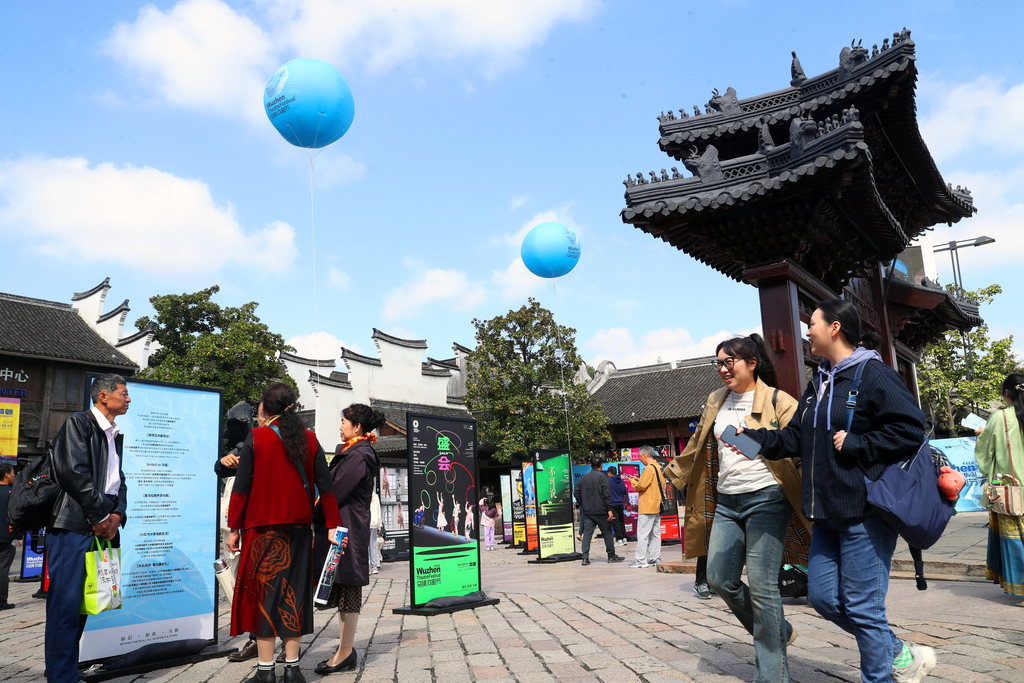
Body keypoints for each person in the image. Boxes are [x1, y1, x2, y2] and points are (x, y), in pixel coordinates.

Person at [739, 301, 935, 683]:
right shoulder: (819, 382)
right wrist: (751, 441)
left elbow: (911, 429)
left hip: (866, 510)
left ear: (835, 328)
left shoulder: (874, 374)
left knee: (863, 607)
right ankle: (900, 652)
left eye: (811, 324)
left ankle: (879, 677)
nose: (806, 331)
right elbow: (797, 436)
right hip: (826, 511)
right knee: (823, 598)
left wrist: (860, 443)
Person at [679, 334, 811, 681]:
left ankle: (772, 676)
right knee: (719, 578)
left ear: (751, 363)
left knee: (763, 587)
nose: (723, 369)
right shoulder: (715, 400)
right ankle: (778, 630)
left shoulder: (779, 401)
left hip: (767, 498)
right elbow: (698, 442)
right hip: (727, 500)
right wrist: (674, 471)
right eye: (718, 363)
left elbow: (802, 442)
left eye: (730, 362)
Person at [227, 383, 341, 683]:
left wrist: (234, 528)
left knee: (264, 597)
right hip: (300, 531)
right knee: (295, 596)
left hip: (262, 530)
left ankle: (265, 672)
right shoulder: (311, 440)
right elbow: (327, 488)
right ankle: (292, 668)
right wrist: (331, 526)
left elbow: (241, 488)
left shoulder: (258, 437)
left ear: (267, 408)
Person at [45, 373, 130, 683]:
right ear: (103, 396)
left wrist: (117, 515)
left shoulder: (114, 434)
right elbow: (74, 473)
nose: (128, 398)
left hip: (101, 523)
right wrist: (100, 517)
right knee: (64, 607)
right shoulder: (79, 424)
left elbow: (119, 482)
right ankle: (60, 677)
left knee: (83, 604)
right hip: (73, 526)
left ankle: (66, 672)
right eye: (123, 392)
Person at [313, 403, 384, 675]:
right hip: (345, 528)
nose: (340, 426)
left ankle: (346, 651)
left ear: (357, 427)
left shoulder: (358, 456)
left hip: (347, 530)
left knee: (349, 589)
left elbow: (335, 491)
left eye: (344, 421)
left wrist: (314, 514)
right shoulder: (355, 452)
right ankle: (344, 649)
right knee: (343, 589)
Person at [221, 402, 265, 664]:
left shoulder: (265, 446)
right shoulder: (240, 450)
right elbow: (221, 470)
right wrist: (224, 461)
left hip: (260, 527)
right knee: (243, 585)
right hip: (237, 528)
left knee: (268, 586)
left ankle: (279, 639)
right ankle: (255, 636)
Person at [974, 374, 1024, 602]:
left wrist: (981, 436)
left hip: (1013, 492)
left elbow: (985, 457)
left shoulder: (1001, 417)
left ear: (1006, 394)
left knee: (1016, 543)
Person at [573, 454, 626, 566]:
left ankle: (585, 557)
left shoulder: (583, 477)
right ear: (601, 466)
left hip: (587, 511)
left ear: (591, 465)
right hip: (601, 511)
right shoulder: (603, 478)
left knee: (587, 534)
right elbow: (607, 495)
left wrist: (582, 503)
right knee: (607, 533)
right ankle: (611, 556)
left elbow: (576, 491)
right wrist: (609, 510)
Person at [627, 447, 666, 567]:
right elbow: (652, 483)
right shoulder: (658, 467)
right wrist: (638, 479)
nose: (641, 460)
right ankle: (655, 558)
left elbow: (641, 486)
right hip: (656, 505)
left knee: (643, 534)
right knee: (655, 534)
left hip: (647, 505)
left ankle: (641, 560)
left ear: (644, 455)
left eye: (640, 457)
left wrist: (633, 482)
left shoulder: (648, 468)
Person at [0, 463, 16, 610]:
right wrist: (18, 535)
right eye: (12, 473)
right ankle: (1, 601)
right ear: (6, 475)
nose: (14, 475)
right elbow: (15, 516)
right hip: (5, 536)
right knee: (3, 569)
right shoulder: (12, 493)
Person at [606, 467, 628, 546]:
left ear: (610, 473)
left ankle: (619, 539)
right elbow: (625, 491)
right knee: (621, 521)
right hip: (620, 502)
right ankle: (624, 538)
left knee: (615, 522)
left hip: (613, 503)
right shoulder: (621, 481)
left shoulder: (608, 481)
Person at [368, 488, 382, 576]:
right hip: (374, 523)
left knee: (364, 546)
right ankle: (374, 567)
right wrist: (379, 525)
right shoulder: (375, 497)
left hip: (365, 523)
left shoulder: (363, 495)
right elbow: (378, 512)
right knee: (372, 545)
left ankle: (367, 567)